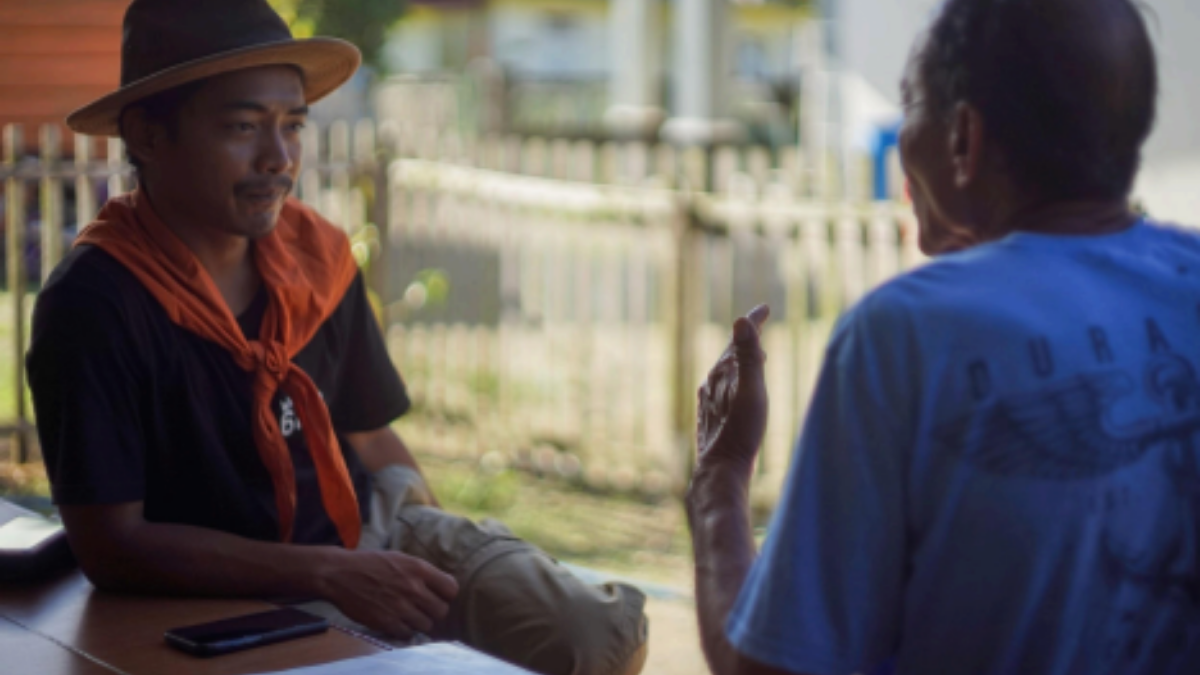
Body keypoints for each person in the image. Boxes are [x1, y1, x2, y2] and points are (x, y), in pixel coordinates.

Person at [27, 2, 647, 674]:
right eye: (243, 127)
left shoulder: (314, 257)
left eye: (293, 125)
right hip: (224, 589)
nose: (279, 158)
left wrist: (431, 592)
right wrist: (327, 574)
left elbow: (371, 438)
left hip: (368, 527)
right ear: (148, 135)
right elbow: (112, 545)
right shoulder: (97, 302)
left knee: (594, 635)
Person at [688, 0, 1200, 673]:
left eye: (911, 104)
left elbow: (764, 668)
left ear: (963, 138)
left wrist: (720, 476)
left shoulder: (903, 336)